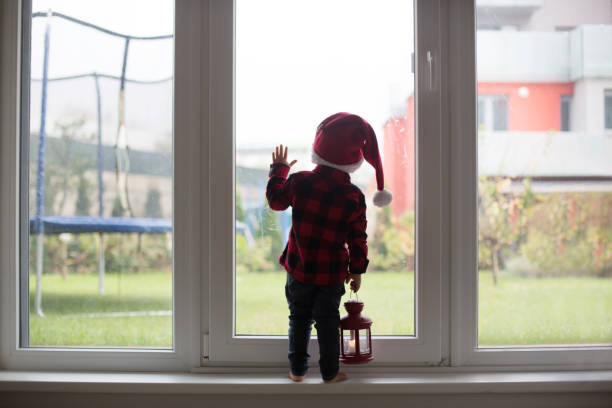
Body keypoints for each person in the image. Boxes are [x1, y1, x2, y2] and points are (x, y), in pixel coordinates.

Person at [266, 112, 392, 384]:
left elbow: (276, 201)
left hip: (299, 269)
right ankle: (330, 372)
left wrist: (279, 169)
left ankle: (297, 371)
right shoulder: (353, 197)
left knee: (298, 319)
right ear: (354, 160)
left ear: (318, 149)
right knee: (327, 321)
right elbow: (358, 239)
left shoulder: (299, 182)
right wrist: (357, 271)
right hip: (332, 275)